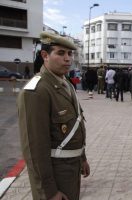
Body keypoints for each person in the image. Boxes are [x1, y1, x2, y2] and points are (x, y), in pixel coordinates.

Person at [17, 31, 90, 200]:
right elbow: (34, 149)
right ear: (45, 55)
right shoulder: (36, 91)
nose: (68, 59)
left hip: (72, 167)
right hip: (54, 174)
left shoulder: (66, 85)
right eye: (61, 53)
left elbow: (75, 124)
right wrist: (48, 191)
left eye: (70, 54)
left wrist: (82, 158)